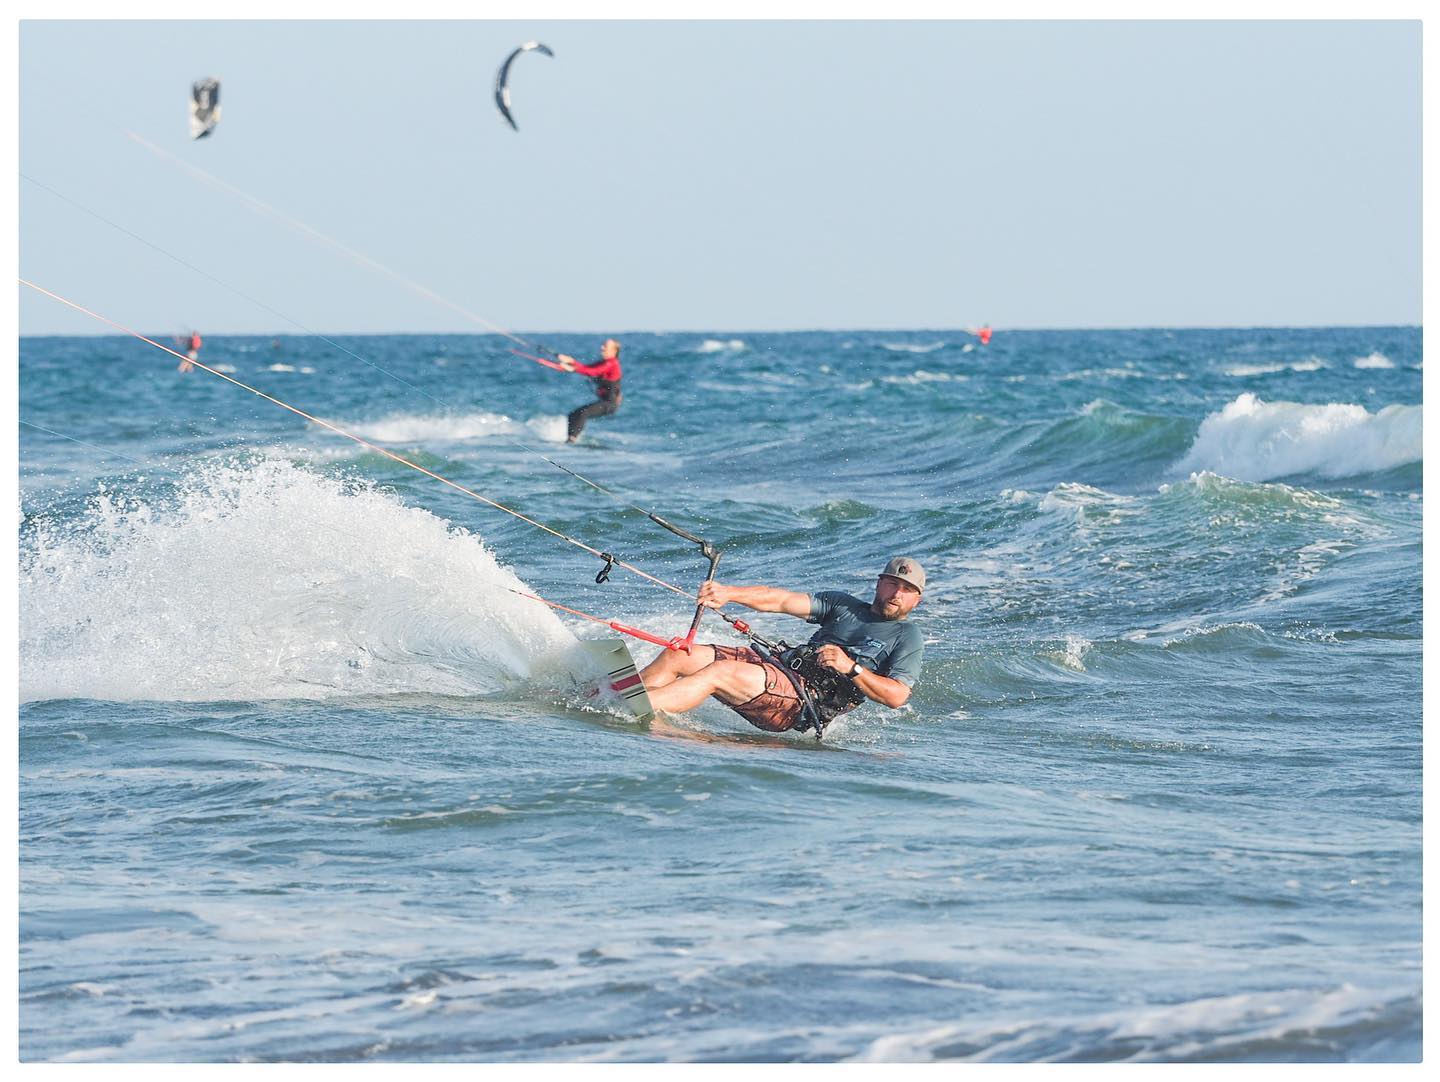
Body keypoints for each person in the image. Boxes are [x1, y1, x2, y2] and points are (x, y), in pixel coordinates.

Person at [639, 557, 927, 734]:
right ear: (879, 584)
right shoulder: (843, 605)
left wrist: (851, 668)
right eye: (892, 584)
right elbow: (780, 600)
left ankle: (635, 708)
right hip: (780, 668)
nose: (897, 594)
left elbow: (897, 696)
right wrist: (729, 593)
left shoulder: (908, 635)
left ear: (917, 599)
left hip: (802, 702)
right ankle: (629, 696)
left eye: (907, 590)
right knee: (679, 655)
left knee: (720, 672)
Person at [557, 338, 622, 443]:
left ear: (614, 351)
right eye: (603, 345)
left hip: (610, 403)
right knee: (573, 414)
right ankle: (570, 440)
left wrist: (573, 368)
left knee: (583, 413)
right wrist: (571, 361)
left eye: (605, 346)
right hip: (604, 402)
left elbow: (593, 372)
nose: (602, 348)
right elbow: (586, 368)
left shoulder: (612, 363)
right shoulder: (605, 362)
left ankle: (572, 441)